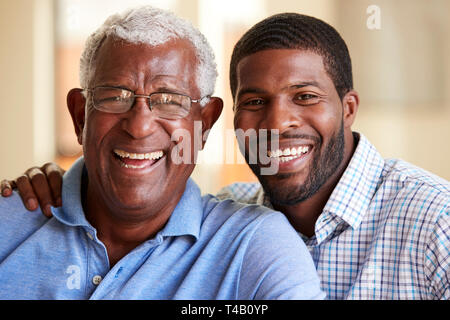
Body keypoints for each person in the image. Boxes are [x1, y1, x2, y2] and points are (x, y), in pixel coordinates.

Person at [2, 12, 449, 300]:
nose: (278, 123)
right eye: (255, 102)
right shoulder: (237, 211)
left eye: (306, 96)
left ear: (348, 108)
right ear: (80, 114)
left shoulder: (435, 221)